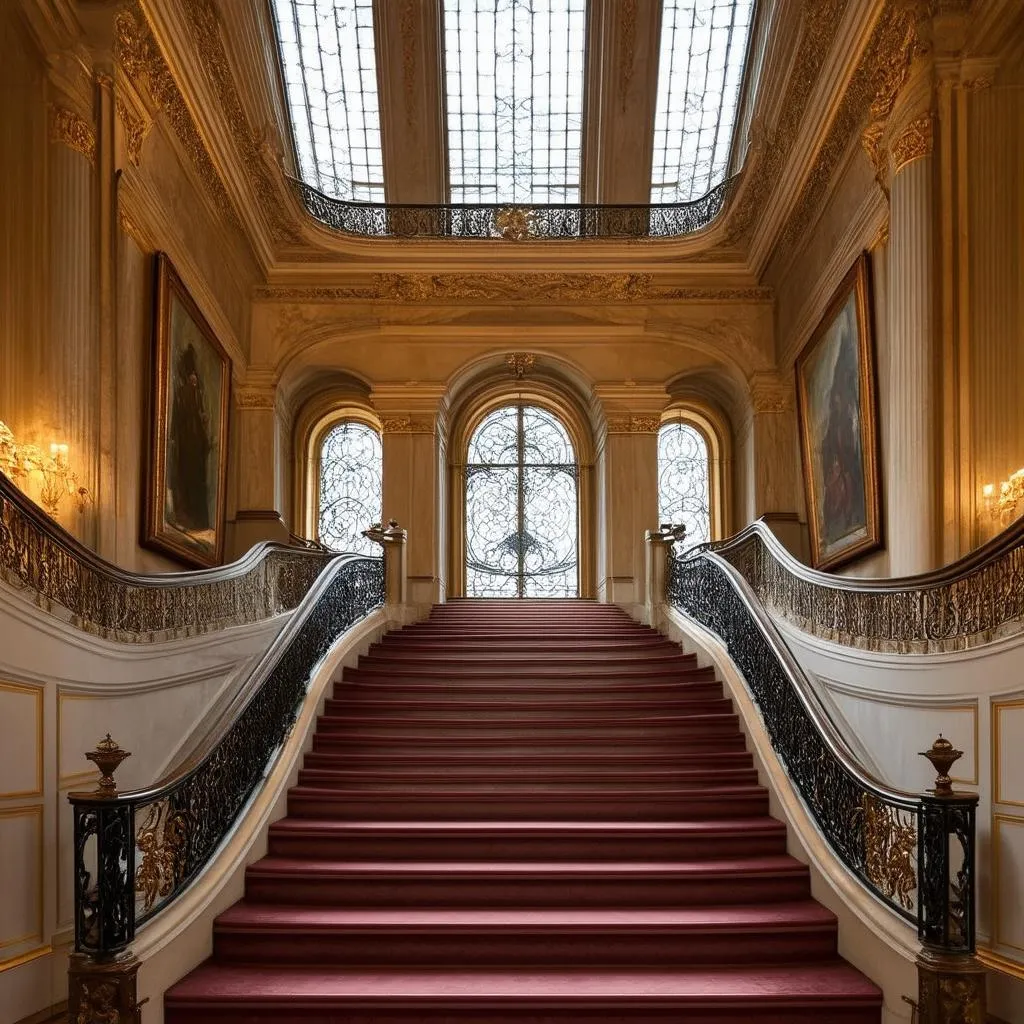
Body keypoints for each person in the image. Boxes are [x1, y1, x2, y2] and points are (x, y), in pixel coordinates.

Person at [168, 341, 213, 532]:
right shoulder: (183, 394)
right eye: (191, 375)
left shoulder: (197, 395)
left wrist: (203, 422)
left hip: (196, 444)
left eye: (195, 376)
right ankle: (186, 515)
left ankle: (199, 519)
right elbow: (178, 416)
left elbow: (199, 414)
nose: (194, 379)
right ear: (188, 376)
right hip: (188, 444)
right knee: (188, 478)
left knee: (197, 481)